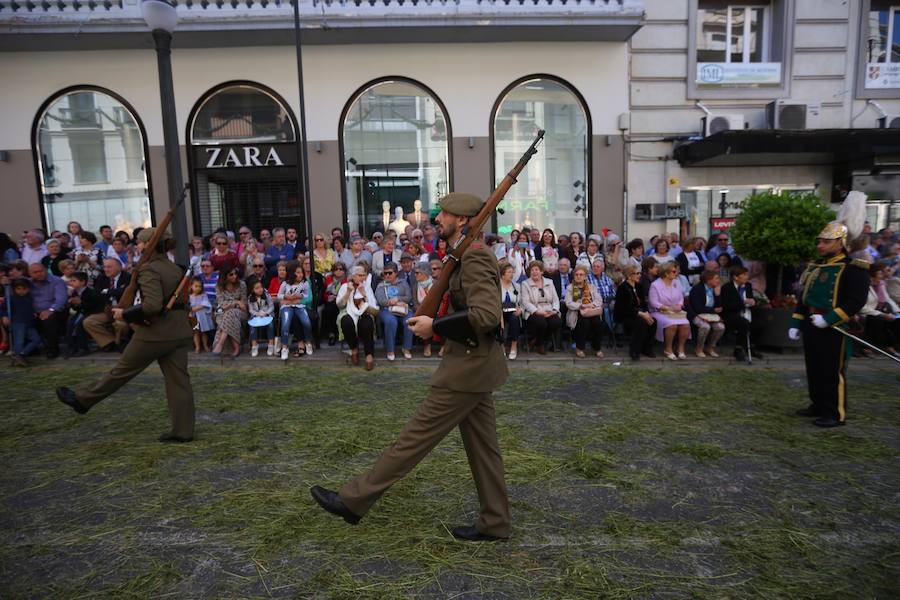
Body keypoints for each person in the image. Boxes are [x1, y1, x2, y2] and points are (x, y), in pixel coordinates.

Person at [311, 192, 511, 542]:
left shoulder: (476, 258)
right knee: (484, 451)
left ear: (462, 220)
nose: (439, 219)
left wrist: (436, 327)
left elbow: (487, 316)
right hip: (475, 366)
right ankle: (495, 521)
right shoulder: (464, 255)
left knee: (412, 441)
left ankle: (353, 500)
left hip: (466, 369)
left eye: (445, 214)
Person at [56, 227, 196, 443]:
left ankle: (82, 400)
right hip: (178, 331)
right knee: (179, 382)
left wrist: (125, 314)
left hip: (155, 332)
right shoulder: (173, 267)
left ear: (148, 245)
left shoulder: (150, 269)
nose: (137, 246)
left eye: (139, 242)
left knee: (120, 372)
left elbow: (150, 306)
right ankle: (183, 431)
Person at [788, 216, 870, 427]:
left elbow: (856, 301)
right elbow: (804, 298)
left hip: (834, 326)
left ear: (840, 243)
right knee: (814, 367)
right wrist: (797, 322)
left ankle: (835, 412)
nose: (820, 246)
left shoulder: (854, 268)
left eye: (826, 241)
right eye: (819, 241)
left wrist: (829, 319)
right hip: (811, 322)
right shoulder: (816, 267)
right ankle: (818, 404)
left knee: (832, 370)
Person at [83, 258, 131, 352]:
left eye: (109, 267)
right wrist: (111, 294)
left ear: (119, 268)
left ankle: (120, 343)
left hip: (123, 310)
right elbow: (96, 294)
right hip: (107, 309)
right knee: (88, 322)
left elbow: (125, 292)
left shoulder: (128, 277)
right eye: (105, 267)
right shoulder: (102, 277)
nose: (106, 269)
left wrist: (107, 291)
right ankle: (109, 342)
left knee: (120, 324)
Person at [337, 264, 377, 370]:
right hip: (348, 311)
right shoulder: (344, 286)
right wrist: (348, 292)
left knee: (367, 323)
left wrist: (364, 293)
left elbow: (373, 306)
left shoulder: (367, 287)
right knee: (346, 321)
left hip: (364, 312)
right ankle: (354, 348)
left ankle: (369, 354)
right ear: (353, 276)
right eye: (360, 275)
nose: (363, 278)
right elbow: (340, 305)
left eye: (364, 275)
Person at [649, 262, 690, 360]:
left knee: (686, 324)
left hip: (675, 311)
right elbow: (653, 302)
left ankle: (680, 348)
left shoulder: (677, 282)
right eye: (674, 271)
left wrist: (679, 305)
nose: (676, 273)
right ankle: (668, 348)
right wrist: (668, 308)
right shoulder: (655, 285)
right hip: (659, 311)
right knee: (671, 324)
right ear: (666, 273)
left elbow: (681, 297)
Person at [721, 265, 763, 362]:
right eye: (744, 275)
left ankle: (751, 346)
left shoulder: (748, 286)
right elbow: (726, 306)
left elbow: (750, 299)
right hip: (731, 314)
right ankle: (738, 348)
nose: (746, 277)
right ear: (735, 277)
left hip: (747, 312)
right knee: (743, 324)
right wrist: (743, 303)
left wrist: (752, 302)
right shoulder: (727, 288)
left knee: (759, 324)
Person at [614, 265, 656, 361]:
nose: (639, 275)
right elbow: (623, 308)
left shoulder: (639, 286)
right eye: (636, 273)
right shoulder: (622, 288)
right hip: (625, 316)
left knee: (653, 321)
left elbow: (644, 304)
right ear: (629, 276)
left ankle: (647, 348)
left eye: (639, 273)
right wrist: (641, 314)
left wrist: (646, 313)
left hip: (639, 314)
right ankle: (634, 350)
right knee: (641, 322)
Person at [521, 260, 562, 354]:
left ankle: (536, 340)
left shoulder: (550, 282)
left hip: (548, 309)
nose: (534, 272)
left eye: (537, 269)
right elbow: (525, 302)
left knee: (557, 322)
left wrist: (555, 310)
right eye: (532, 270)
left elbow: (556, 299)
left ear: (542, 271)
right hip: (533, 310)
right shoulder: (525, 284)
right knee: (541, 323)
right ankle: (541, 344)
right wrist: (537, 311)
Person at [28, 262, 68, 359]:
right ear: (30, 274)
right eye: (35, 272)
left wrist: (50, 310)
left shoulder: (57, 281)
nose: (38, 274)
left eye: (40, 271)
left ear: (45, 270)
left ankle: (53, 349)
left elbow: (61, 300)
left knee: (48, 319)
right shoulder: (28, 283)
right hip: (35, 312)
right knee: (20, 319)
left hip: (56, 311)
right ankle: (30, 348)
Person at [565, 265, 605, 359]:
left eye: (581, 274)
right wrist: (580, 306)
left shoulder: (591, 287)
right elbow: (568, 303)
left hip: (591, 311)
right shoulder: (570, 287)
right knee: (584, 323)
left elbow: (599, 300)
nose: (578, 276)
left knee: (599, 324)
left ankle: (597, 348)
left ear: (585, 276)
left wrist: (591, 305)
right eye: (576, 274)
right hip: (576, 313)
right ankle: (580, 348)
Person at [376, 262, 414, 361]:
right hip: (387, 309)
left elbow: (408, 297)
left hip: (403, 308)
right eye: (385, 273)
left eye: (390, 273)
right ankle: (390, 350)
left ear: (396, 273)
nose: (387, 275)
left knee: (409, 319)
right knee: (390, 321)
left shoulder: (403, 282)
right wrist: (394, 303)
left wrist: (398, 298)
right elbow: (381, 301)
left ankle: (406, 348)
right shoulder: (381, 285)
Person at [861, 263, 900, 358]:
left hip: (881, 312)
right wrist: (881, 314)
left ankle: (893, 346)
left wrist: (897, 311)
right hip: (866, 313)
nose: (882, 276)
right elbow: (862, 307)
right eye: (880, 273)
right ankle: (867, 348)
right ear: (872, 274)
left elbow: (887, 299)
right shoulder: (864, 286)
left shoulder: (880, 285)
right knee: (876, 320)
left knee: (897, 321)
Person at [277, 260, 314, 360]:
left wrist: (300, 296)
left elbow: (307, 295)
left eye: (301, 272)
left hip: (299, 307)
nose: (300, 275)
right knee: (285, 324)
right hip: (287, 306)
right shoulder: (285, 283)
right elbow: (279, 295)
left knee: (306, 322)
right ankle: (284, 347)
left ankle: (308, 342)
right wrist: (286, 296)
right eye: (298, 273)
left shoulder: (305, 283)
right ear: (292, 273)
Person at [63, 271, 105, 358]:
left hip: (91, 312)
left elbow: (94, 306)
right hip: (81, 312)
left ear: (82, 282)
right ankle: (71, 347)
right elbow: (76, 308)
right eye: (70, 281)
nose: (71, 283)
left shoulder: (91, 292)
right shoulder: (74, 292)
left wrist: (81, 303)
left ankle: (83, 347)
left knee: (80, 325)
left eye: (74, 281)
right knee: (70, 324)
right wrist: (73, 303)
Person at [3, 278, 41, 367]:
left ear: (28, 289)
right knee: (19, 341)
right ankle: (18, 357)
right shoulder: (11, 299)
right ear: (14, 289)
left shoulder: (30, 298)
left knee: (36, 339)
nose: (21, 291)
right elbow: (4, 309)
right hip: (18, 322)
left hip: (29, 323)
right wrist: (4, 316)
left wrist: (34, 313)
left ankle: (21, 354)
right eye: (18, 289)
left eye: (24, 289)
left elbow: (31, 308)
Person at [687, 270, 725, 358]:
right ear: (708, 280)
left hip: (711, 315)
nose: (718, 280)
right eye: (716, 278)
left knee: (720, 327)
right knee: (705, 326)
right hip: (697, 314)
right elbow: (697, 308)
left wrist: (718, 295)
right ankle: (699, 348)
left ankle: (710, 347)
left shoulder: (716, 289)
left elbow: (720, 307)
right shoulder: (697, 289)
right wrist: (713, 310)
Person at [212, 266, 247, 358]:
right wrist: (236, 302)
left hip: (241, 312)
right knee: (227, 315)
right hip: (223, 312)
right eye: (231, 274)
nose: (234, 276)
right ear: (225, 276)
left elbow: (243, 304)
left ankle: (220, 343)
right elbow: (221, 304)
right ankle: (236, 346)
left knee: (230, 313)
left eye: (235, 274)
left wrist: (232, 305)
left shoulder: (242, 285)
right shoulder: (219, 287)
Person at [413, 262, 438, 357]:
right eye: (415, 272)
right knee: (423, 317)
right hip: (421, 311)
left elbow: (439, 300)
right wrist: (421, 310)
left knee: (441, 316)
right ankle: (427, 344)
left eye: (418, 273)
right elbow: (415, 302)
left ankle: (443, 345)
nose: (415, 275)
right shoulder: (416, 286)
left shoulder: (436, 284)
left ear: (425, 273)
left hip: (435, 309)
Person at [247, 278, 276, 358]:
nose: (260, 290)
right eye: (257, 288)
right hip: (256, 316)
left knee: (270, 325)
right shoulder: (250, 298)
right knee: (252, 327)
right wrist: (257, 314)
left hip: (267, 315)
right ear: (252, 290)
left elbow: (271, 307)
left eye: (260, 287)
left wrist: (266, 313)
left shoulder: (267, 295)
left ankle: (271, 344)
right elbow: (251, 310)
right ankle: (254, 345)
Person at [499, 262, 522, 360]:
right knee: (497, 320)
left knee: (514, 318)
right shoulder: (496, 286)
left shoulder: (516, 286)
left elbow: (521, 302)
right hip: (499, 311)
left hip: (512, 311)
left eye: (512, 272)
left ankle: (513, 346)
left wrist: (520, 309)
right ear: (503, 274)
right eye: (509, 272)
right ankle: (501, 347)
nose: (511, 274)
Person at [321, 262, 346, 345]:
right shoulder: (328, 280)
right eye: (336, 269)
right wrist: (328, 297)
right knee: (329, 309)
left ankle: (342, 333)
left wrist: (339, 297)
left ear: (344, 271)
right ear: (333, 271)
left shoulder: (347, 280)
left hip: (343, 301)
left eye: (341, 269)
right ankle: (331, 334)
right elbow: (324, 293)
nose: (338, 271)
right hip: (331, 301)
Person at [189, 277, 213, 353]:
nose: (198, 288)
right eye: (196, 286)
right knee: (196, 332)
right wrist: (191, 310)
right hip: (194, 317)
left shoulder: (203, 295)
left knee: (203, 332)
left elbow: (205, 304)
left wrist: (196, 308)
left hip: (202, 317)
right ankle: (197, 347)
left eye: (200, 286)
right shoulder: (189, 297)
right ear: (191, 286)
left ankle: (205, 346)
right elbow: (188, 306)